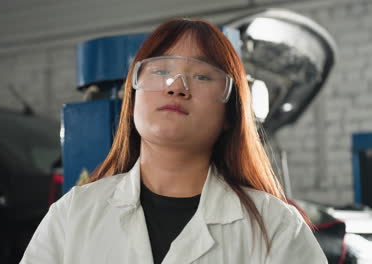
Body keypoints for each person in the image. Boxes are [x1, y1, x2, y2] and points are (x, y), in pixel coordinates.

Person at [20, 18, 327, 264]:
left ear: (231, 114)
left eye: (203, 76)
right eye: (160, 71)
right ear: (133, 98)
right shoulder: (73, 215)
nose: (176, 87)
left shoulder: (276, 227)